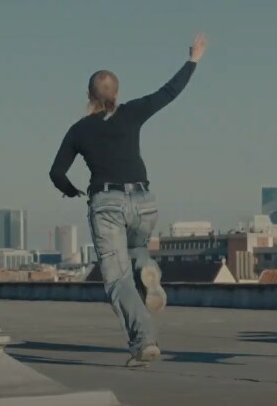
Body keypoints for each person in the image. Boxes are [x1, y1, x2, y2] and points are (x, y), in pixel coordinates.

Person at [49, 34, 208, 367]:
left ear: (89, 96)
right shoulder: (133, 112)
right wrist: (193, 59)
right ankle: (148, 269)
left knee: (118, 280)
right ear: (117, 94)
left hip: (107, 204)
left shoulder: (79, 130)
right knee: (136, 249)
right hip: (144, 200)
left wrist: (72, 190)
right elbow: (169, 92)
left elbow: (56, 172)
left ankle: (144, 341)